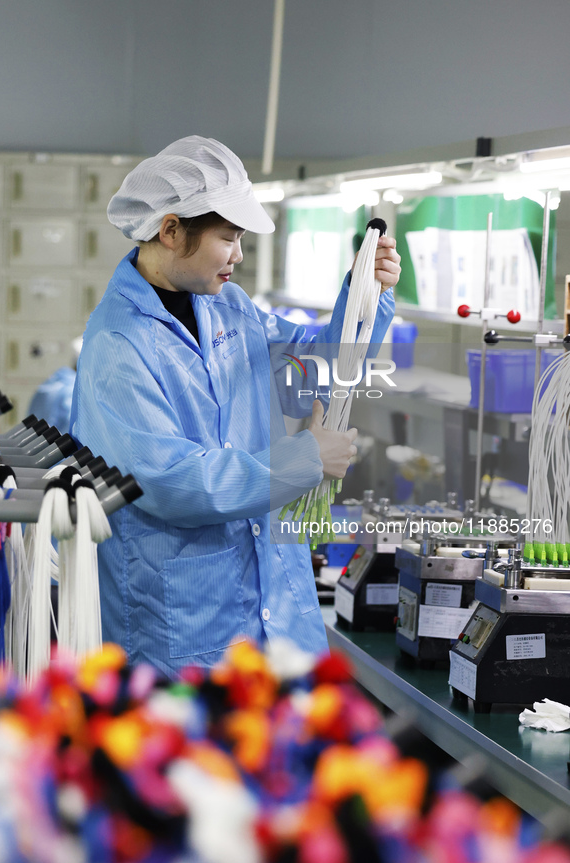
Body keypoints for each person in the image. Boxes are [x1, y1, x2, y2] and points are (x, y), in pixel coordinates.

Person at [70, 136, 400, 676]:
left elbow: (317, 369)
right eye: (228, 238)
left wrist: (365, 294)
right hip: (187, 632)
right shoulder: (118, 346)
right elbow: (171, 481)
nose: (239, 256)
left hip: (278, 616)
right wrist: (304, 459)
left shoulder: (231, 308)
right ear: (172, 230)